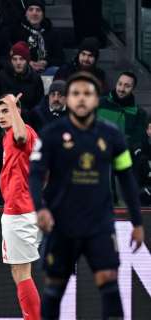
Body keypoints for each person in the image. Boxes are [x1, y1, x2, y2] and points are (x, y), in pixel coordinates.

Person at [29, 72, 145, 319]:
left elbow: (126, 176)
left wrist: (137, 221)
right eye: (76, 94)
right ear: (69, 100)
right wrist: (40, 208)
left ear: (96, 100)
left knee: (108, 281)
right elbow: (36, 174)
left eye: (87, 94)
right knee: (53, 287)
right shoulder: (51, 134)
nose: (81, 99)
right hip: (62, 223)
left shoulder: (112, 135)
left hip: (99, 223)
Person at [0, 93, 41, 320]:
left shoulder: (19, 132)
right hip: (25, 206)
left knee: (22, 272)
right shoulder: (19, 134)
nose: (1, 116)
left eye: (6, 111)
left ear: (18, 111)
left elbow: (20, 135)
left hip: (19, 209)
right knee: (18, 270)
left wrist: (13, 105)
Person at [97, 72, 147, 154]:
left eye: (127, 86)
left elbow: (136, 140)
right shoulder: (99, 103)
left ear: (133, 88)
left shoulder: (139, 114)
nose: (121, 89)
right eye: (120, 84)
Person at [11, 0, 64, 74]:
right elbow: (11, 55)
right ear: (26, 14)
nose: (34, 13)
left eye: (38, 10)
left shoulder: (52, 33)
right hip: (24, 68)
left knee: (56, 70)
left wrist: (46, 62)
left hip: (46, 69)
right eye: (31, 10)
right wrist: (28, 62)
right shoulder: (16, 31)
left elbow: (60, 58)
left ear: (43, 14)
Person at [0, 41, 45, 115]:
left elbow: (39, 104)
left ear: (27, 61)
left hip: (29, 118)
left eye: (21, 59)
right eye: (14, 59)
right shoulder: (2, 76)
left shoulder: (35, 78)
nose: (18, 62)